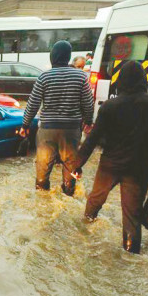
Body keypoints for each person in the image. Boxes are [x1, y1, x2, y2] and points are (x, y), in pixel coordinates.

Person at [70, 61, 148, 253]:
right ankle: (130, 253)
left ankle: (83, 239)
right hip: (138, 169)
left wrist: (77, 165)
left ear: (120, 81)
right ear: (143, 81)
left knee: (94, 202)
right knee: (132, 218)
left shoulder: (109, 106)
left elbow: (92, 139)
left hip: (109, 166)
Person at [19, 40, 94, 196]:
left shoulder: (44, 77)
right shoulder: (80, 76)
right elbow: (88, 103)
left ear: (52, 57)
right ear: (68, 57)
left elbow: (32, 103)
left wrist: (25, 125)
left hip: (47, 130)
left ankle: (42, 197)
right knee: (70, 166)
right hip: (71, 131)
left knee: (43, 166)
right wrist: (88, 121)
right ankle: (68, 193)